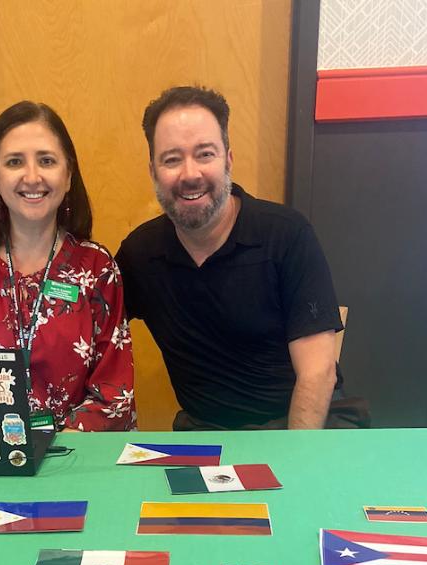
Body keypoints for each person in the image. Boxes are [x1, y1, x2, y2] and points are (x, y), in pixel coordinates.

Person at [115, 86, 342, 430]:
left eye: (205, 154)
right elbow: (87, 337)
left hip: (298, 427)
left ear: (228, 160)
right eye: (172, 159)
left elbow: (318, 372)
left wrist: (297, 466)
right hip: (206, 434)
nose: (190, 173)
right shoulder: (139, 254)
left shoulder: (287, 236)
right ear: (153, 171)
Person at [0, 101, 135, 431]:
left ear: (68, 173)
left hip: (70, 459)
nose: (32, 177)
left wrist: (49, 447)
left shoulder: (96, 269)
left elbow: (114, 396)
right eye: (15, 161)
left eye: (46, 161)